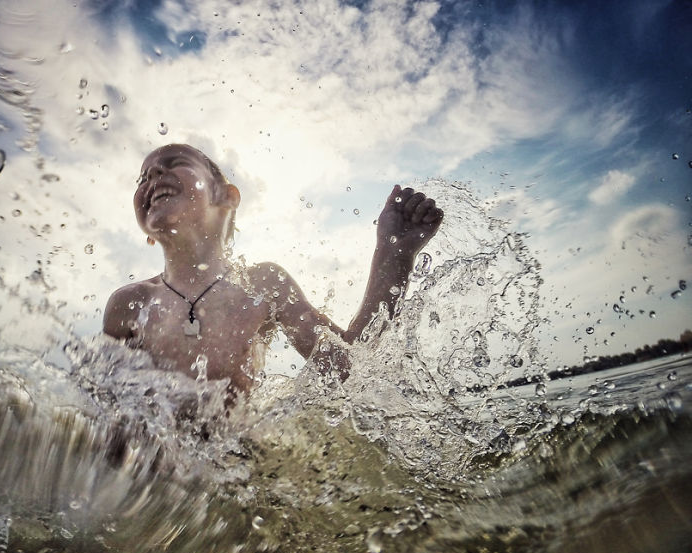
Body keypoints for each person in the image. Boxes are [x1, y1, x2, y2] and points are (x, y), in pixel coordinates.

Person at [103, 144, 443, 395]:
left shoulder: (262, 284)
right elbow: (107, 411)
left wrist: (394, 252)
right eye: (143, 177)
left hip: (236, 470)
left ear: (226, 196)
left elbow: (350, 366)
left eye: (174, 163)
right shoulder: (129, 304)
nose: (153, 177)